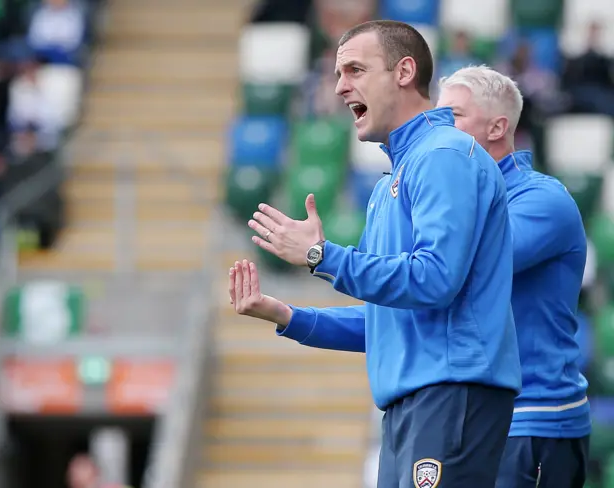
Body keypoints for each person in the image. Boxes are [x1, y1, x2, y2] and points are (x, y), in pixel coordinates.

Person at [229, 20, 521, 488]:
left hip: (452, 393)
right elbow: (387, 320)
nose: (340, 85)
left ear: (404, 71)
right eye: (339, 72)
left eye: (355, 70)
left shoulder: (445, 154)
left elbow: (435, 279)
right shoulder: (389, 183)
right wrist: (287, 315)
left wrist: (321, 257)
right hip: (412, 406)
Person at [436, 65, 590, 488]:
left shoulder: (542, 200)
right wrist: (292, 317)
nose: (438, 130)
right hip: (471, 421)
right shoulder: (451, 205)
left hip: (532, 422)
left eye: (452, 116)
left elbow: (460, 269)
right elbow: (408, 308)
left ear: (497, 127)